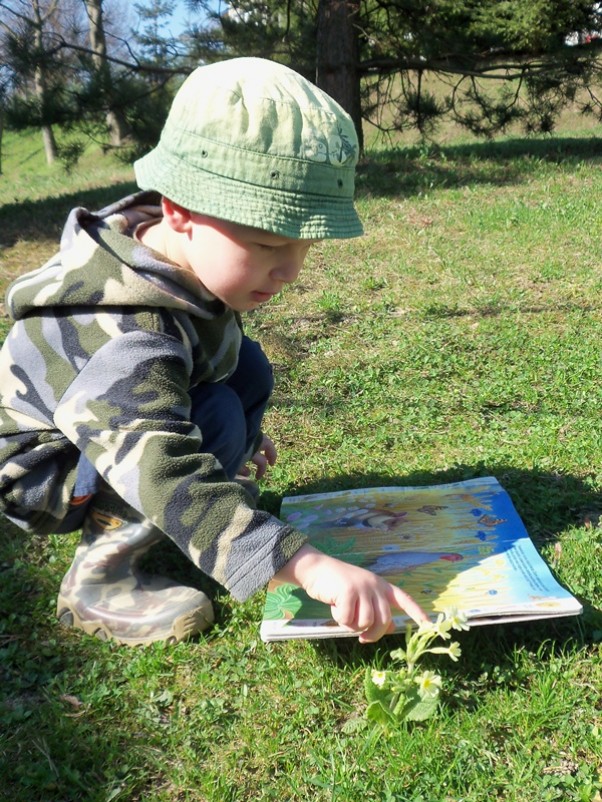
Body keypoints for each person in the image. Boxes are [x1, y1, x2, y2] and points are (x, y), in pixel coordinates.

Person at [0, 57, 426, 646]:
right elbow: (162, 466)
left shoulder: (179, 256)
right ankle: (97, 580)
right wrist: (301, 565)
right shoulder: (121, 329)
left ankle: (206, 501)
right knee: (214, 417)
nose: (289, 271)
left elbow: (204, 360)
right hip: (46, 474)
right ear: (179, 211)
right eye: (269, 243)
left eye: (304, 247)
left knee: (243, 368)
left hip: (117, 426)